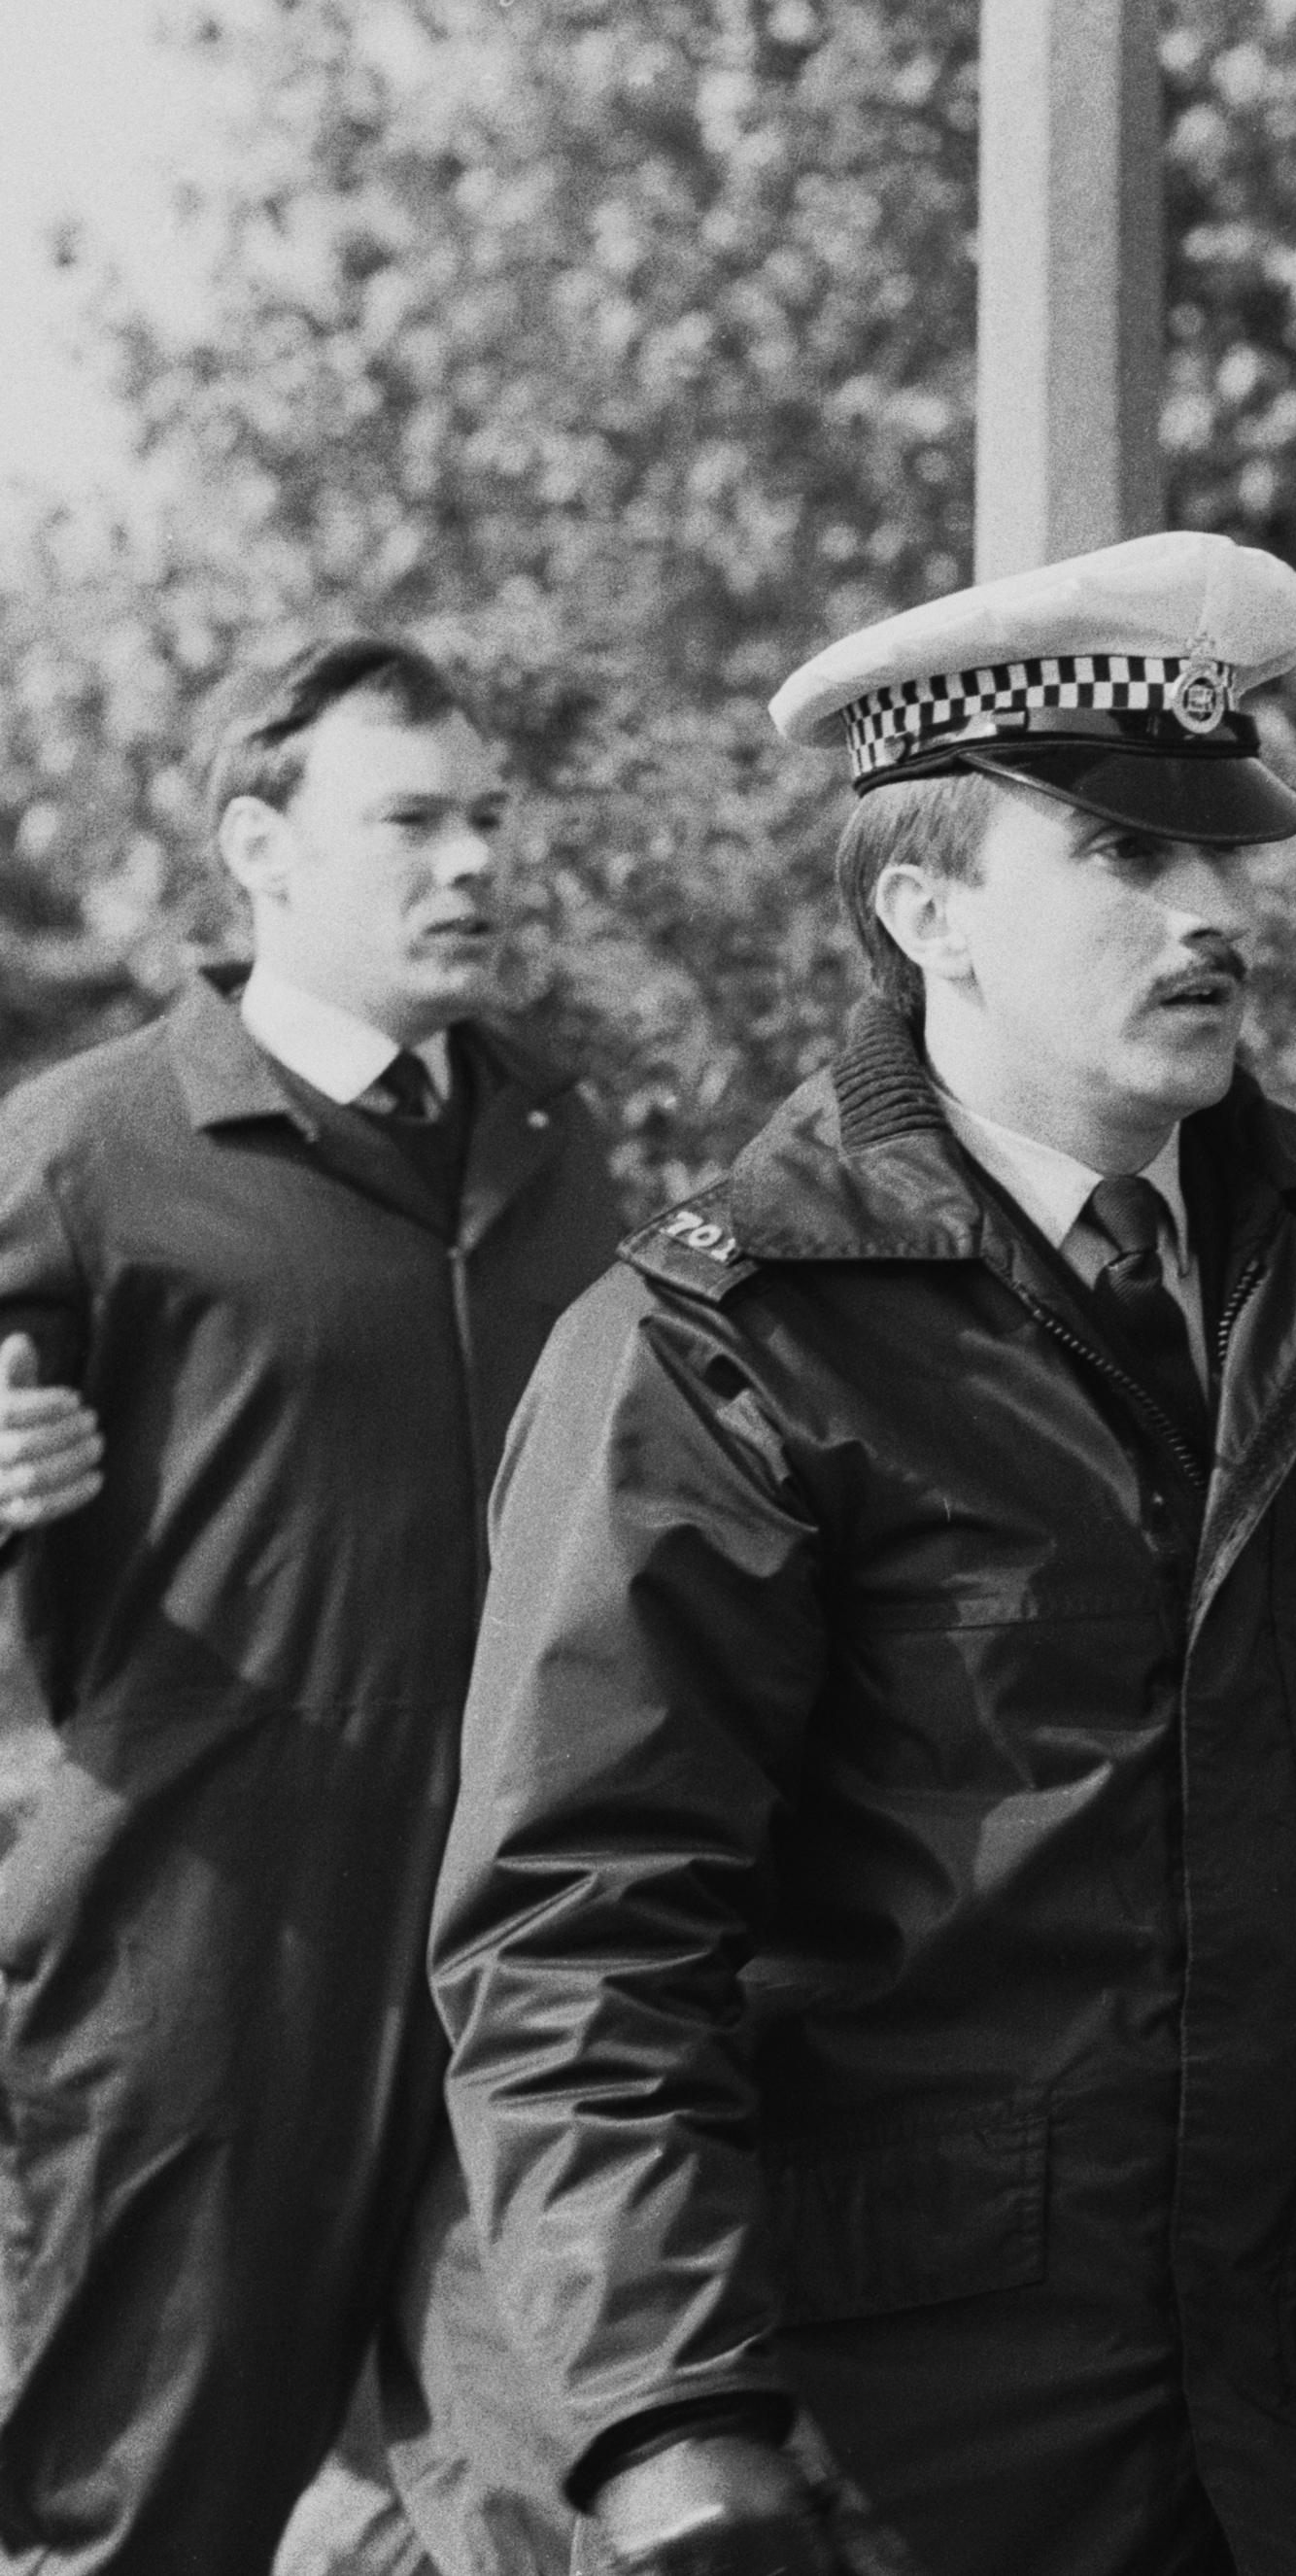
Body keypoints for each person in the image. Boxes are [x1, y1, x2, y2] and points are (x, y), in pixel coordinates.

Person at [421, 534, 1296, 2576]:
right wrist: (668, 2419)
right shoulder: (723, 1344)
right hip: (914, 2447)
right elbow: (580, 1938)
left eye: (1226, 857)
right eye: (1122, 858)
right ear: (928, 913)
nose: (1209, 913)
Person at [0, 637, 619, 2575]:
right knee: (130, 2530)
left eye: (489, 819)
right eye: (413, 822)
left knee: (552, 2518)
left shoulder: (556, 1139)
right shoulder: (88, 1151)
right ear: (260, 847)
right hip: (193, 1981)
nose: (473, 864)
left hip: (523, 1971)